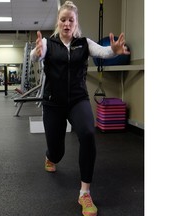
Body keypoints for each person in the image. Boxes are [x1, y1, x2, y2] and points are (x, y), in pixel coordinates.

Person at [30, 1, 130, 215]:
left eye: (71, 20)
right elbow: (36, 56)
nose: (67, 23)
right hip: (53, 103)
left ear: (76, 23)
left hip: (78, 100)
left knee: (87, 134)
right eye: (63, 19)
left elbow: (103, 52)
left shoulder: (84, 43)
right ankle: (50, 156)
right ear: (58, 22)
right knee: (57, 152)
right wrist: (36, 53)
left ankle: (84, 193)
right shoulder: (49, 43)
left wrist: (114, 50)